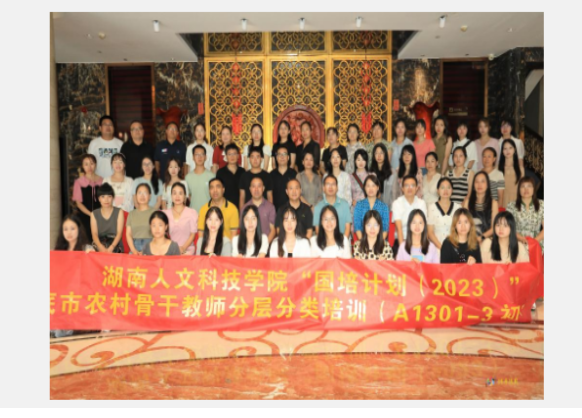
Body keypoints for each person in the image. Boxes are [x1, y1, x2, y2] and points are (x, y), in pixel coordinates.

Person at [52, 215, 94, 338]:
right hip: (62, 293)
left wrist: (90, 257)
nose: (69, 233)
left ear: (79, 230)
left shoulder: (87, 249)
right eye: (65, 229)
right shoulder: (59, 251)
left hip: (81, 293)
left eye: (72, 228)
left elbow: (94, 274)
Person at [506, 176, 544, 253]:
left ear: (533, 189)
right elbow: (508, 227)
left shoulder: (542, 204)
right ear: (519, 190)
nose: (526, 189)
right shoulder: (511, 206)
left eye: (529, 186)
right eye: (523, 186)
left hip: (537, 242)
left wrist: (534, 241)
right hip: (517, 241)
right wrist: (522, 239)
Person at [392, 175, 428, 248]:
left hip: (418, 240)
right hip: (401, 240)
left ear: (417, 188)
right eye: (406, 186)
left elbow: (424, 227)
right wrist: (403, 250)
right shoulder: (397, 203)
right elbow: (399, 229)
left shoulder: (421, 203)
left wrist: (422, 247)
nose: (409, 188)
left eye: (412, 185)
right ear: (402, 188)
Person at [72, 154, 103, 239]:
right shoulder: (79, 182)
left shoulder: (102, 181)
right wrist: (91, 214)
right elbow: (79, 203)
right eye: (86, 164)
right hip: (84, 217)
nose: (89, 167)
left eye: (92, 163)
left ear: (95, 164)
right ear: (82, 166)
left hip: (100, 216)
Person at [163, 183, 198, 255]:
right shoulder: (165, 214)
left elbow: (192, 235)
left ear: (185, 196)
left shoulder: (191, 212)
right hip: (171, 250)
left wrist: (183, 248)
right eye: (174, 193)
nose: (177, 196)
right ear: (171, 196)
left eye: (180, 193)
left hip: (188, 250)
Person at [313, 174, 352, 239]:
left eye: (333, 184)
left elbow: (347, 228)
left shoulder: (344, 204)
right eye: (328, 184)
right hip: (325, 243)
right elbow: (318, 230)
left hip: (343, 241)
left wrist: (343, 242)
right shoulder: (318, 207)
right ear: (323, 188)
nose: (330, 187)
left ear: (337, 188)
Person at [463, 172, 499, 242]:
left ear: (487, 185)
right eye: (477, 182)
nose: (479, 184)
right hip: (470, 239)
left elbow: (494, 228)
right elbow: (464, 224)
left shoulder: (493, 203)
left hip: (488, 239)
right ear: (473, 185)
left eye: (482, 181)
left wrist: (481, 238)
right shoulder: (467, 202)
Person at [427, 177, 462, 249]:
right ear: (438, 190)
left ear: (452, 190)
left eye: (448, 187)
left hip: (454, 245)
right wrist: (442, 248)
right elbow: (430, 232)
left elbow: (460, 230)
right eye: (442, 187)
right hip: (436, 246)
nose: (445, 190)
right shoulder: (431, 207)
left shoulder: (458, 207)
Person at [90, 183, 125, 253]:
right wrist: (100, 247)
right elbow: (94, 234)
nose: (106, 200)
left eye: (109, 196)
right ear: (99, 199)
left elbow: (119, 234)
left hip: (115, 244)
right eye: (103, 197)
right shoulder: (94, 214)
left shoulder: (119, 212)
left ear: (113, 198)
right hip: (100, 243)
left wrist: (111, 247)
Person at [240, 177, 277, 243]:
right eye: (253, 186)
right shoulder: (244, 208)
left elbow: (273, 230)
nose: (256, 189)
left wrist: (264, 245)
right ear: (250, 189)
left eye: (259, 186)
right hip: (249, 245)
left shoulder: (270, 207)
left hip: (266, 244)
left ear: (263, 188)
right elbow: (242, 230)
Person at [353, 175, 389, 240]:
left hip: (380, 241)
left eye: (373, 186)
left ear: (377, 187)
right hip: (363, 240)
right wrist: (364, 243)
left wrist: (378, 243)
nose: (371, 189)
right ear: (365, 188)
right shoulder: (359, 205)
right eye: (368, 186)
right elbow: (357, 227)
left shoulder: (384, 207)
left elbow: (385, 229)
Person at [126, 183, 155, 255]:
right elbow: (128, 234)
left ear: (149, 196)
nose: (142, 196)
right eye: (139, 193)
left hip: (151, 248)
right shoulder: (131, 214)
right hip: (134, 248)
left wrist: (147, 250)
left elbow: (158, 235)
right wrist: (134, 250)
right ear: (136, 196)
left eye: (145, 193)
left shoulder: (155, 213)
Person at [185, 144, 215, 213]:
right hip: (193, 213)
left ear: (206, 157)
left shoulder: (212, 176)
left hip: (208, 213)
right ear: (193, 157)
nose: (200, 157)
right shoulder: (188, 177)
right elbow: (188, 195)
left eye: (202, 154)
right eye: (197, 154)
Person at [216, 143, 245, 211]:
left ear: (238, 156)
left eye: (234, 154)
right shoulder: (220, 172)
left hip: (240, 208)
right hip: (225, 208)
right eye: (229, 154)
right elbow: (218, 192)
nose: (232, 156)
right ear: (226, 156)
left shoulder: (243, 172)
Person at [349, 149, 376, 221]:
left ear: (366, 161)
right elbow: (347, 193)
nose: (361, 162)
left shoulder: (372, 175)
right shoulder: (350, 177)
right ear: (355, 161)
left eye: (363, 159)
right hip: (355, 208)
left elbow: (375, 193)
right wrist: (351, 201)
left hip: (369, 207)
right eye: (358, 159)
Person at [269, 145, 297, 211]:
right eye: (279, 154)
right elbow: (269, 195)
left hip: (292, 211)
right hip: (275, 211)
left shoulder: (294, 174)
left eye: (284, 154)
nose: (282, 157)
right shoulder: (271, 175)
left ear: (288, 157)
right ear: (276, 158)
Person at [499, 138, 523, 208]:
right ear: (502, 151)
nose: (508, 151)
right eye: (505, 148)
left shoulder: (520, 169)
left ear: (514, 150)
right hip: (502, 202)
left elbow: (522, 187)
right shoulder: (498, 168)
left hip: (516, 202)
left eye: (510, 148)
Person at [370, 143, 395, 208]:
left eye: (381, 153)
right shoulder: (370, 173)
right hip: (373, 205)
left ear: (385, 155)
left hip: (388, 205)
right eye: (376, 153)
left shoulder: (391, 172)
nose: (379, 156)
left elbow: (394, 192)